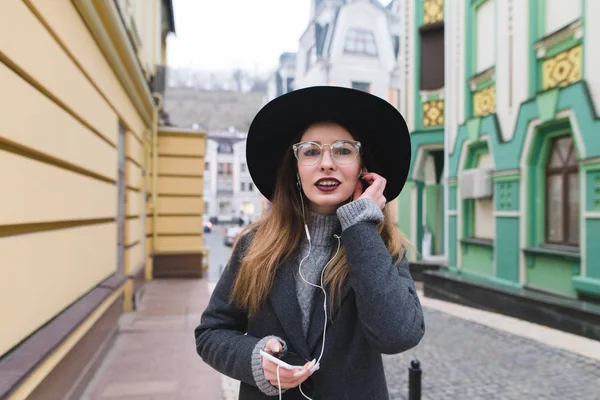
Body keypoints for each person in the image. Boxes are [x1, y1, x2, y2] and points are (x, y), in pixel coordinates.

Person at [195, 86, 425, 399]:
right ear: (296, 168)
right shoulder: (255, 245)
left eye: (343, 150)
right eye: (311, 151)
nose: (327, 163)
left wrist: (359, 226)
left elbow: (398, 335)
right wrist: (254, 358)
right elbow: (211, 332)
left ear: (363, 169)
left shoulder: (381, 245)